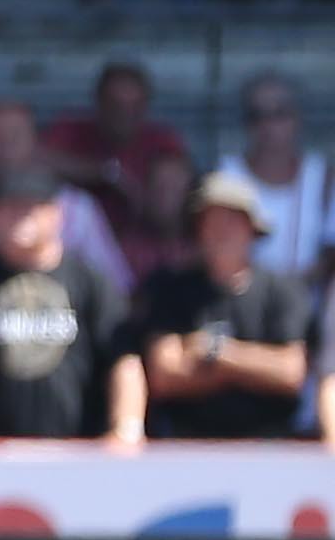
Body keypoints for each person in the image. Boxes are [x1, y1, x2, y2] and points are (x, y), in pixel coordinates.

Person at [0, 167, 137, 446]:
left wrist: (125, 430)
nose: (19, 218)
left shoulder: (90, 281)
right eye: (7, 208)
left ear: (57, 214)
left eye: (30, 207)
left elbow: (123, 361)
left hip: (80, 454)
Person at [132, 169, 317, 443]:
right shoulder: (171, 290)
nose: (221, 231)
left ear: (252, 230)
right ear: (198, 229)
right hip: (188, 448)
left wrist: (216, 353)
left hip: (270, 448)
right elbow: (164, 374)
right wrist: (254, 369)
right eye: (211, 221)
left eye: (232, 221)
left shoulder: (283, 291)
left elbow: (290, 373)